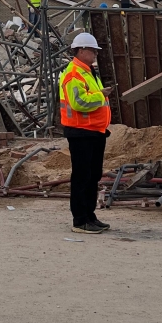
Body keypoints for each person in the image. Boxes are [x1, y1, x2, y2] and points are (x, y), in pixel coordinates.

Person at [59, 32, 112, 234]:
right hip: (81, 132)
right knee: (82, 176)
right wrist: (101, 95)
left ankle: (89, 216)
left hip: (94, 131)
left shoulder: (87, 72)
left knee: (92, 175)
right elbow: (79, 102)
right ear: (81, 51)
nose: (95, 54)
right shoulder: (74, 74)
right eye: (92, 50)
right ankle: (80, 220)